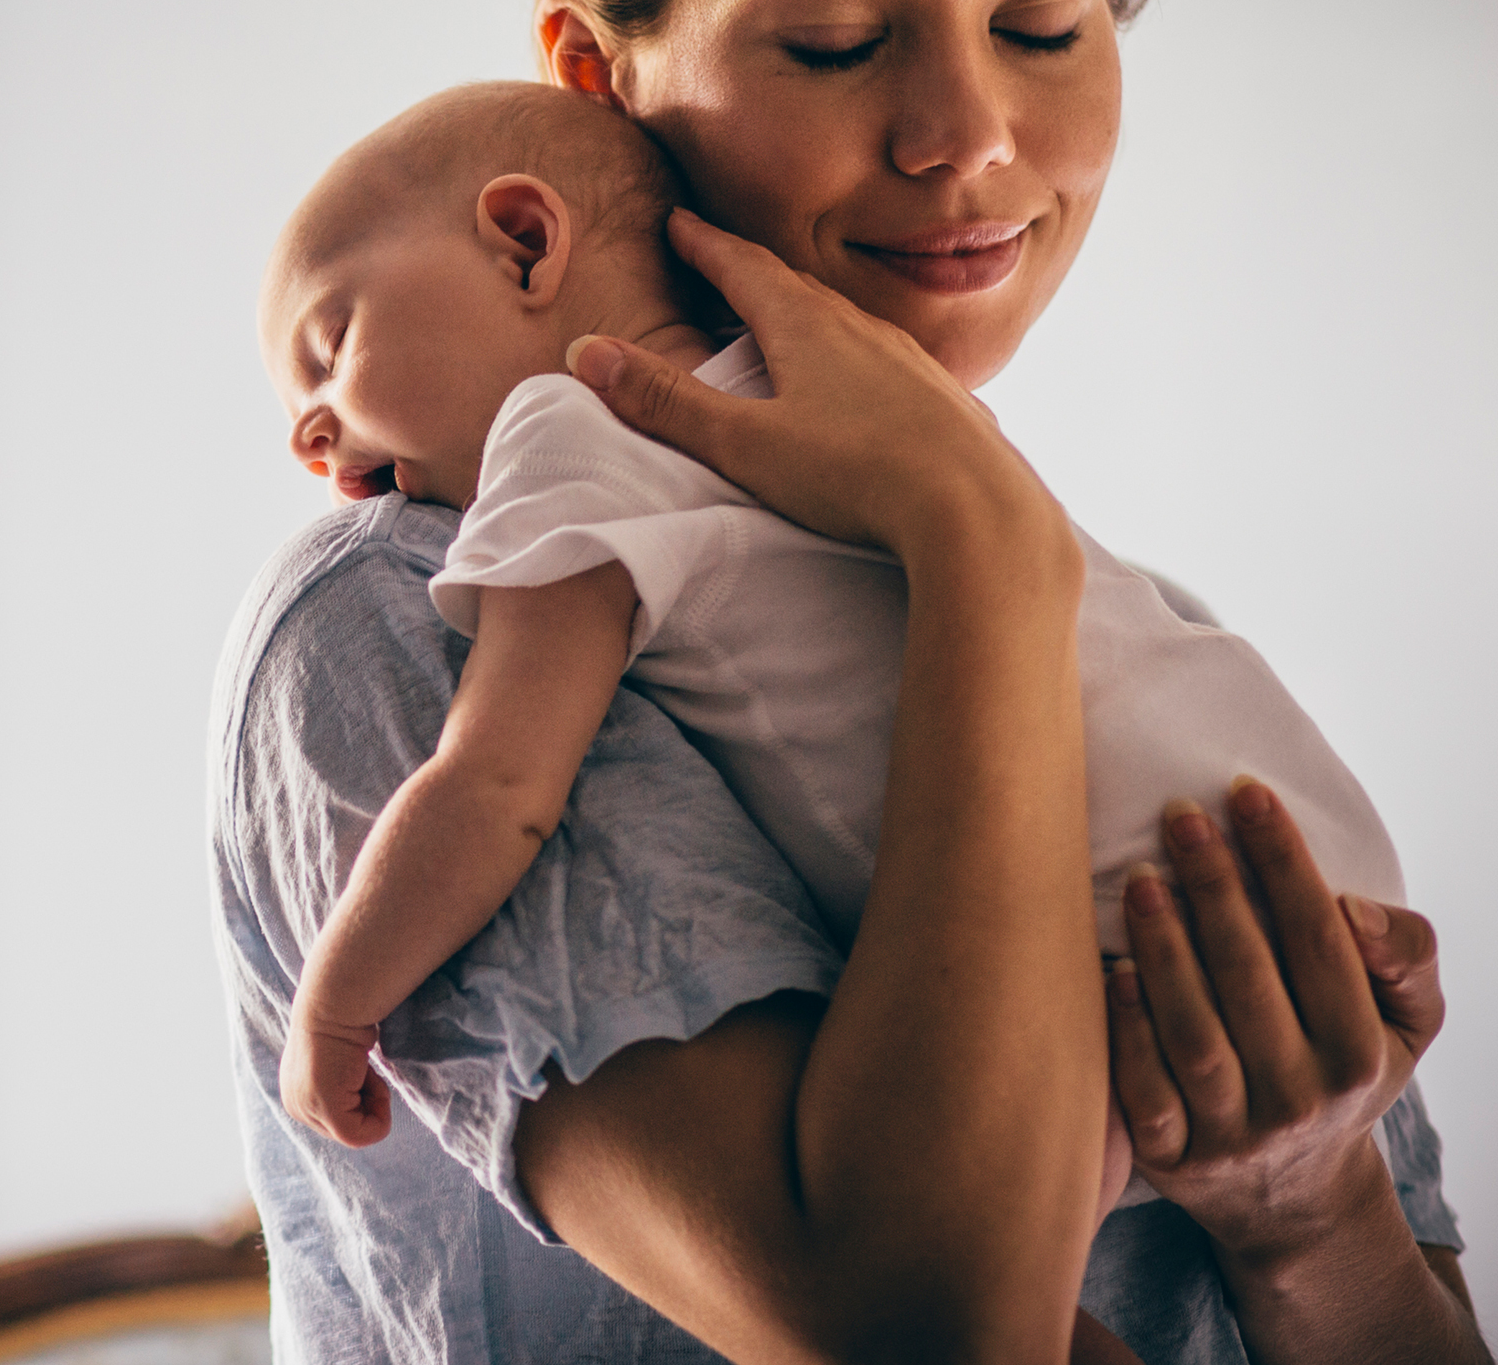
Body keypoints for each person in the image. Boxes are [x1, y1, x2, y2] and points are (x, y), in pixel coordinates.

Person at [209, 0, 1487, 1365]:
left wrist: (1311, 1214)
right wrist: (977, 547)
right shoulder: (411, 610)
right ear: (595, 77)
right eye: (833, 39)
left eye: (1044, 20)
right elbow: (927, 1328)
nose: (969, 140)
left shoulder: (1142, 663)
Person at [257, 81, 1408, 1187]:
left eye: (329, 344)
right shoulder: (860, 391)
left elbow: (497, 780)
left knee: (980, 1256)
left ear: (521, 240)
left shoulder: (568, 431)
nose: (311, 434)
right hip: (1296, 844)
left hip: (1129, 891)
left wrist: (338, 999)